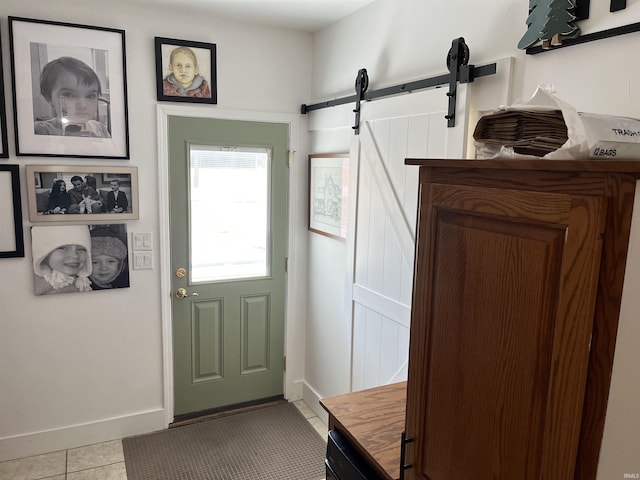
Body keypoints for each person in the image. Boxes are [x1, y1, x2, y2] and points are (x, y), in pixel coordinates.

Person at [34, 56, 110, 138]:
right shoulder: (41, 130)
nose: (83, 105)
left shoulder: (100, 129)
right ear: (49, 98)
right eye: (69, 95)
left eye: (90, 96)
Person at [32, 225, 93, 295]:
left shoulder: (82, 283)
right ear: (44, 254)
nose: (75, 255)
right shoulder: (44, 290)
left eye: (81, 249)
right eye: (62, 248)